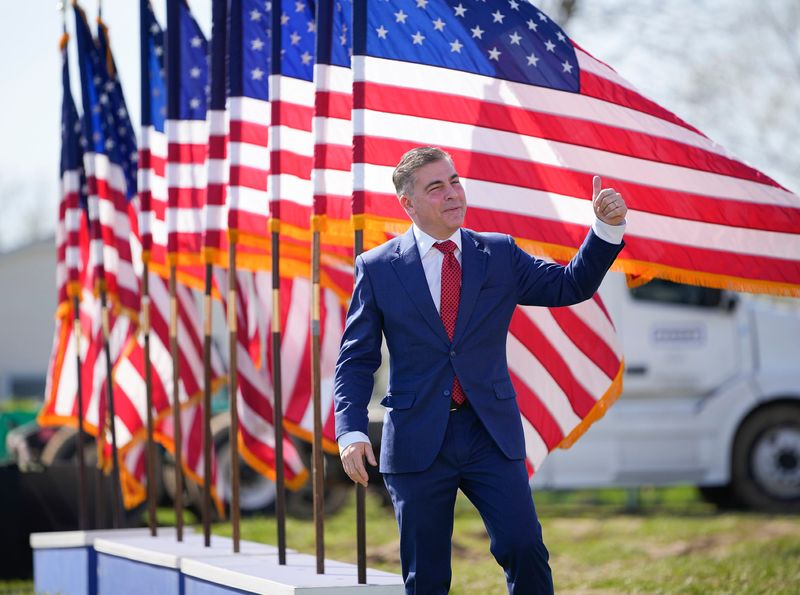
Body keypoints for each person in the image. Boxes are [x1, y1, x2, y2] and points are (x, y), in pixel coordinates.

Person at [333, 147, 626, 594]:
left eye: (454, 181)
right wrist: (350, 431)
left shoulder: (499, 254)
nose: (453, 194)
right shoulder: (376, 269)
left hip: (488, 432)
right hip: (415, 438)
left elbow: (571, 284)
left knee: (524, 546)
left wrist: (604, 230)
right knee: (426, 577)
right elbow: (355, 359)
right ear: (407, 203)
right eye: (436, 187)